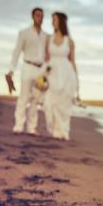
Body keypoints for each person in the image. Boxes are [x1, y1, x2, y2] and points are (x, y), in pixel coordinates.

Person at [7, 7, 47, 135]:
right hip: (27, 67)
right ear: (32, 16)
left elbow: (48, 55)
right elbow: (17, 51)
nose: (39, 18)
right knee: (24, 97)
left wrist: (46, 72)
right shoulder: (24, 32)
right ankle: (18, 125)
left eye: (41, 16)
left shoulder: (46, 36)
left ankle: (31, 127)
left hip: (41, 70)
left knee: (36, 99)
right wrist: (11, 70)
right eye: (36, 15)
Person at [42, 12, 79, 140]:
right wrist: (43, 76)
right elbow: (46, 59)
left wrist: (77, 82)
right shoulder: (48, 39)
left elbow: (73, 61)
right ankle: (53, 129)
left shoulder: (69, 41)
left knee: (64, 104)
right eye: (52, 20)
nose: (52, 22)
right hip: (52, 73)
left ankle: (62, 131)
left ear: (61, 22)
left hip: (66, 74)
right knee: (49, 102)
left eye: (55, 20)